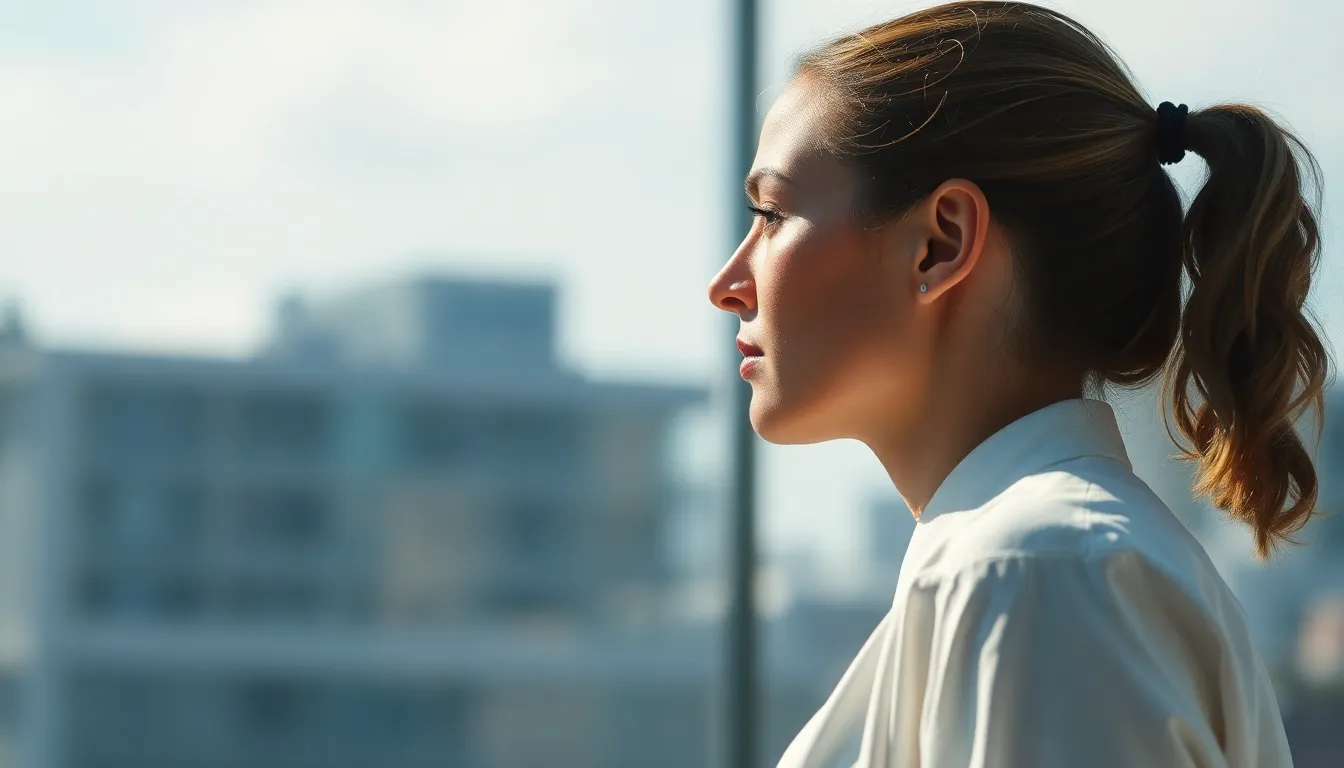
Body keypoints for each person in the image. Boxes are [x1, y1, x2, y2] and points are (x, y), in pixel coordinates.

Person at [707, 2, 1330, 766]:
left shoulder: (1038, 573)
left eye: (771, 213)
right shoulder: (1040, 568)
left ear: (941, 242)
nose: (726, 284)